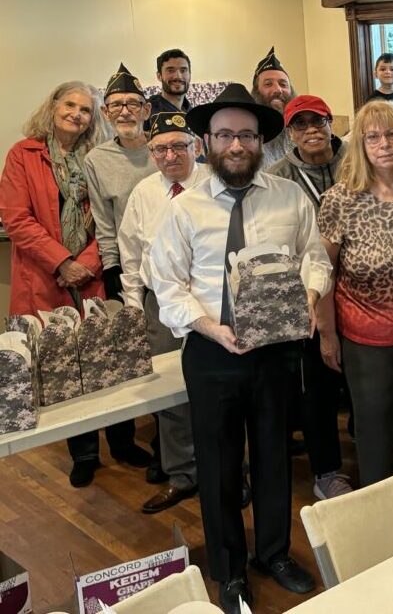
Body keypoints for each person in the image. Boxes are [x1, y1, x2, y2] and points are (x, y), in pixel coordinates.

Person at [148, 83, 330, 613]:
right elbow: (167, 283)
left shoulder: (290, 197)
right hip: (211, 352)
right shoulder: (184, 210)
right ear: (206, 141)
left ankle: (273, 553)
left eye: (246, 135)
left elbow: (315, 257)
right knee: (219, 463)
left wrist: (309, 296)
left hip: (276, 349)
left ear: (260, 142)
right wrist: (209, 326)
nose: (236, 145)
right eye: (225, 134)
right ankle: (228, 570)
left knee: (274, 455)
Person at [0, 81, 148, 488]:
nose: (77, 115)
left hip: (94, 273)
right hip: (44, 276)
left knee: (109, 358)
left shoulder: (99, 156)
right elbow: (16, 218)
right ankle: (84, 454)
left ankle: (123, 443)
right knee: (64, 364)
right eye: (70, 105)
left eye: (86, 110)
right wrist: (61, 262)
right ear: (53, 106)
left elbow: (110, 218)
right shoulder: (24, 154)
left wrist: (86, 262)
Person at [316, 101, 393, 487]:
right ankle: (378, 505)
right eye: (373, 137)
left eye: (392, 134)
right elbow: (323, 273)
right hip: (367, 337)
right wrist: (327, 333)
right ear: (361, 144)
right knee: (374, 428)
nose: (384, 144)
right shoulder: (341, 199)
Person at [119, 112, 209, 513]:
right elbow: (130, 252)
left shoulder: (215, 183)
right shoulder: (143, 193)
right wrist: (134, 306)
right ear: (151, 152)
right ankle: (183, 475)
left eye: (178, 146)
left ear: (196, 146)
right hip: (161, 305)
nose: (170, 156)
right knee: (170, 394)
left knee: (220, 390)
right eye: (160, 149)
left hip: (209, 303)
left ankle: (229, 469)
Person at [268, 95, 352, 500]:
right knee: (317, 383)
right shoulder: (278, 178)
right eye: (300, 125)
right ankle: (327, 470)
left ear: (330, 122)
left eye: (317, 121)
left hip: (362, 286)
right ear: (290, 133)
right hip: (311, 288)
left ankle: (371, 448)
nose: (311, 130)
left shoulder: (356, 160)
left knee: (362, 377)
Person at [80, 64, 157, 482]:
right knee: (129, 354)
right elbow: (105, 221)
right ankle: (124, 441)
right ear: (106, 114)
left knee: (171, 358)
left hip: (176, 267)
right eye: (116, 105)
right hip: (127, 269)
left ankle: (170, 444)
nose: (125, 111)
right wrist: (112, 271)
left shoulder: (166, 147)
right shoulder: (97, 160)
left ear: (146, 109)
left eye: (132, 103)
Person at [250, 46, 297, 165]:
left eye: (283, 84)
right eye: (268, 84)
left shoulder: (301, 128)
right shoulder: (247, 132)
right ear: (256, 91)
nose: (278, 90)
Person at [148, 48, 193, 116]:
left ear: (190, 75)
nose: (178, 76)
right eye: (171, 71)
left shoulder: (194, 114)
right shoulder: (147, 111)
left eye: (183, 70)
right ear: (159, 76)